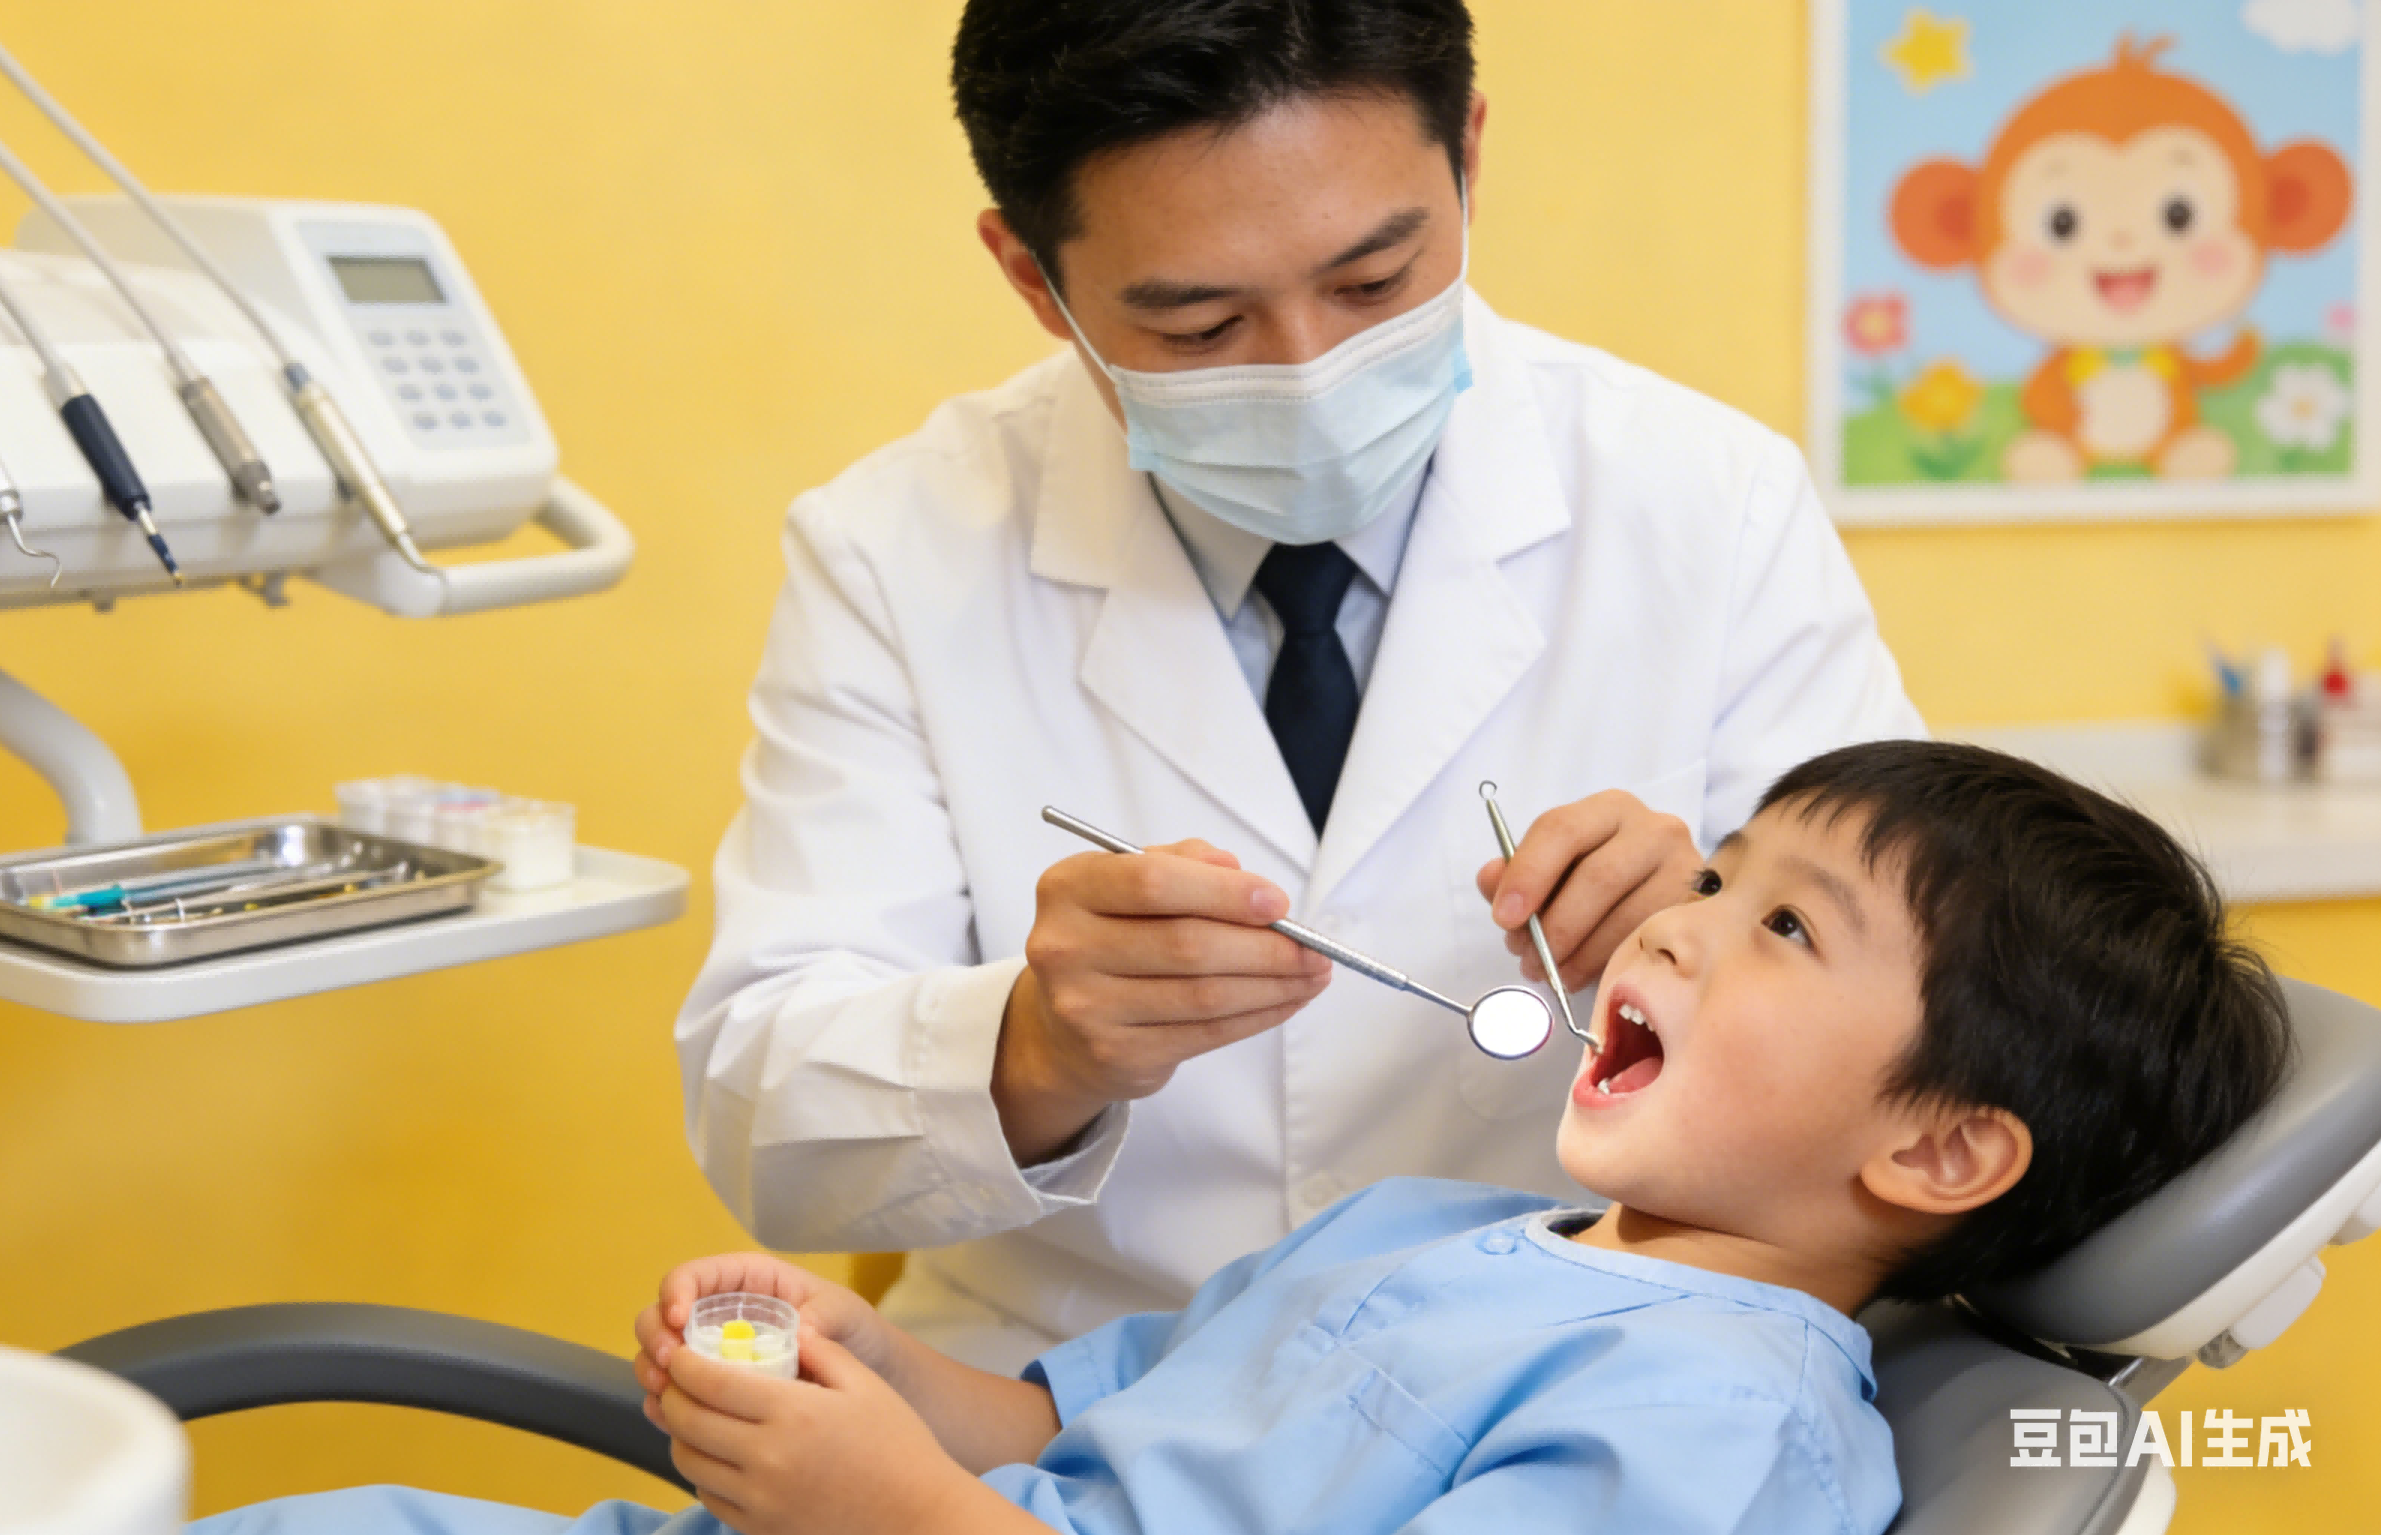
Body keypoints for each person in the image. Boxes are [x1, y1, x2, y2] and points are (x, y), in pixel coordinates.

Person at [678, 0, 1921, 1374]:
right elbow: (764, 1129)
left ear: (1466, 159)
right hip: (1067, 1394)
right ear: (1034, 278)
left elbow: (1948, 1031)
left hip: (1576, 1377)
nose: (1309, 375)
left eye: (1374, 283)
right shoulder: (894, 551)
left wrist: (1723, 939)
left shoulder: (1709, 503)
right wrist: (1032, 1049)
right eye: (1202, 325)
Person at [201, 741, 2293, 1534]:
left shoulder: (1717, 1429)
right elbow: (1060, 1422)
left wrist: (893, 1514)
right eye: (1716, 869)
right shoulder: (1447, 1227)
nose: (1670, 915)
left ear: (1942, 1153)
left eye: (1781, 926)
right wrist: (872, 1379)